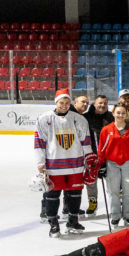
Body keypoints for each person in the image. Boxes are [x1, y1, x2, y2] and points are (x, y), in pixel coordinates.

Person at [35, 89, 97, 236]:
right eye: (61, 102)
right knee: (52, 195)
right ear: (56, 102)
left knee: (75, 194)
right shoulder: (44, 119)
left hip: (75, 165)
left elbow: (86, 141)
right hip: (53, 166)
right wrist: (40, 162)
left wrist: (90, 160)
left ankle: (72, 221)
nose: (64, 105)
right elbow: (39, 142)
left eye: (67, 103)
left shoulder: (79, 119)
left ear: (71, 103)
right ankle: (53, 224)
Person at [98, 104, 129, 226]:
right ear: (113, 113)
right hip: (111, 163)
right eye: (118, 112)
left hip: (128, 162)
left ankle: (128, 215)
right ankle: (115, 215)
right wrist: (101, 164)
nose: (120, 115)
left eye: (123, 113)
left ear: (126, 115)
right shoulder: (106, 130)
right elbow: (101, 147)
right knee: (113, 191)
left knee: (128, 191)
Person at [81, 94, 111, 215]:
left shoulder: (110, 116)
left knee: (111, 179)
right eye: (100, 103)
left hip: (108, 155)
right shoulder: (85, 117)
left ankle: (115, 202)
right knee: (91, 180)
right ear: (94, 104)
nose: (102, 105)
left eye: (105, 103)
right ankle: (92, 202)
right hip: (90, 154)